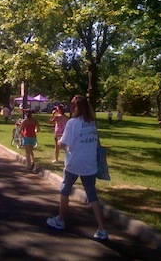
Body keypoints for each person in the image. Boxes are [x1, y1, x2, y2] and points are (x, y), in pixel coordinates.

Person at [46, 95, 108, 240]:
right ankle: (102, 229)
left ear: (75, 107)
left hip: (74, 163)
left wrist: (60, 139)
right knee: (92, 196)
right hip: (90, 164)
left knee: (65, 190)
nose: (70, 107)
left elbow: (63, 144)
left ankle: (60, 220)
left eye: (72, 105)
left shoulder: (72, 123)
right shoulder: (91, 122)